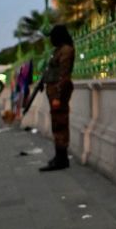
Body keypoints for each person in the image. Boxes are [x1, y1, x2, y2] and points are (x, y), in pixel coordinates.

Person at [39, 24, 75, 171]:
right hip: (53, 91)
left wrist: (58, 97)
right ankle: (59, 156)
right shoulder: (58, 50)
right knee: (56, 123)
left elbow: (63, 76)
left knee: (60, 123)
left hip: (59, 92)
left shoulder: (66, 50)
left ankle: (62, 158)